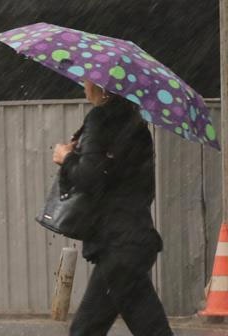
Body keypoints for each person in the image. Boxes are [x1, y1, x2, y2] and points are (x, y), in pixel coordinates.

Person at [53, 80, 173, 336]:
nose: (84, 84)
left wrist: (66, 158)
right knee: (143, 328)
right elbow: (130, 184)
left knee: (88, 330)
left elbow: (89, 177)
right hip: (134, 240)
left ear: (101, 86)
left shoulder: (100, 118)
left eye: (88, 79)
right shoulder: (137, 126)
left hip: (117, 245)